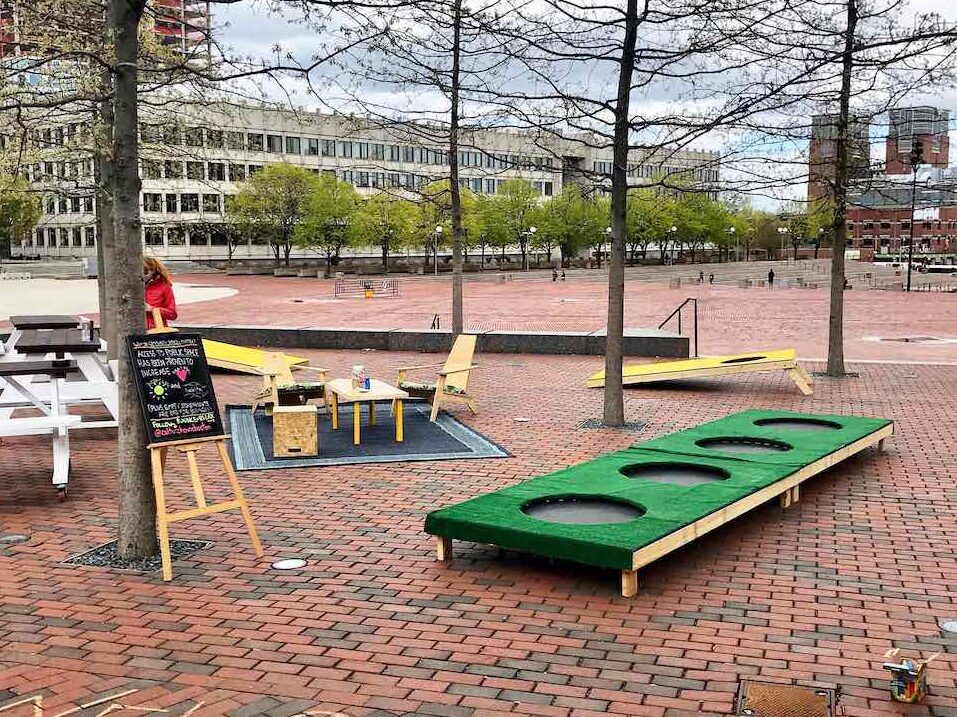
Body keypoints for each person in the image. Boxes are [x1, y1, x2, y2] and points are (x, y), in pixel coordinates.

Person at [144, 256, 178, 330]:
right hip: (134, 332)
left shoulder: (164, 287)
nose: (142, 275)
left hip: (156, 332)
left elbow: (172, 314)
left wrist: (152, 309)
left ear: (153, 271)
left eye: (145, 271)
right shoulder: (131, 287)